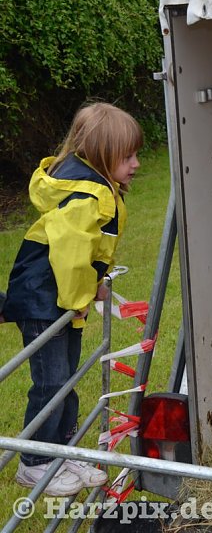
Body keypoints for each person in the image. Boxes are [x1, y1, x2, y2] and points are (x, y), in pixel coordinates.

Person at [2, 102, 142, 496]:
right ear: (102, 154)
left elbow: (88, 252)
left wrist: (92, 284)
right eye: (127, 156)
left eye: (136, 155)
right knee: (52, 384)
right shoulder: (87, 194)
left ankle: (60, 451)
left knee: (66, 380)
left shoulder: (95, 187)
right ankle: (33, 463)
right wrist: (81, 293)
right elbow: (70, 253)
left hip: (60, 297)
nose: (135, 164)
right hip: (46, 299)